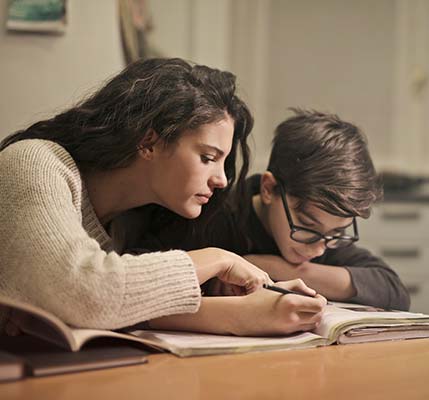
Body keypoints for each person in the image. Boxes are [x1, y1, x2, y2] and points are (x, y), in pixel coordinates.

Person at [0, 58, 325, 336]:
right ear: (148, 142)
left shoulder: (130, 222)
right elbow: (88, 293)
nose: (222, 180)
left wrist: (249, 309)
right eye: (208, 157)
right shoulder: (35, 163)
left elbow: (122, 307)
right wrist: (218, 259)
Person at [145, 109, 410, 310]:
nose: (318, 249)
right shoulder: (209, 215)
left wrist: (284, 269)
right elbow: (141, 282)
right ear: (269, 189)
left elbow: (393, 290)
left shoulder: (324, 237)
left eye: (337, 233)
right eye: (307, 226)